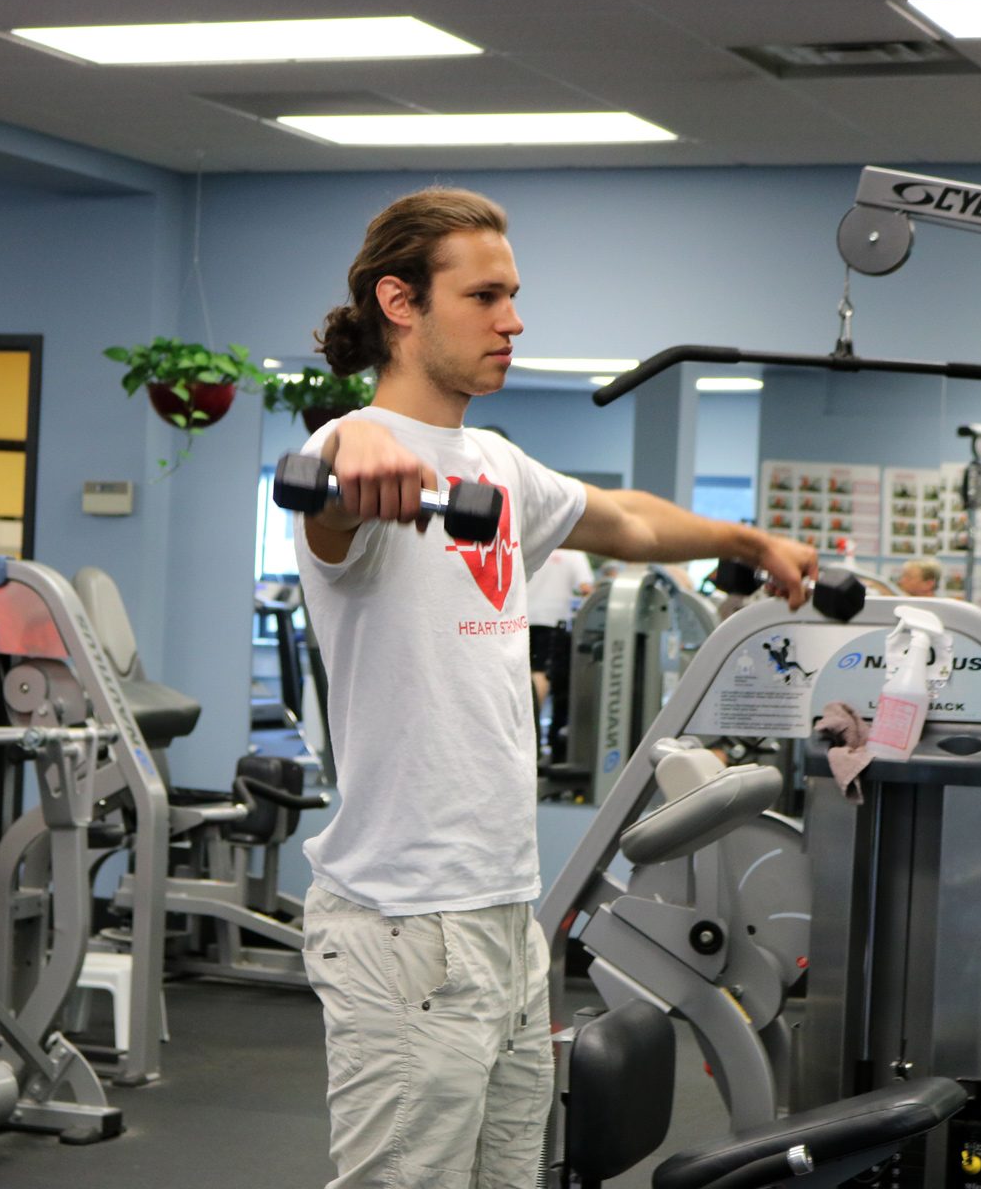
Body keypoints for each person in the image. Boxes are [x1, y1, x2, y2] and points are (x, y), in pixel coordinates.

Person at [290, 188, 816, 1189]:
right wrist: (354, 443)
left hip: (501, 910)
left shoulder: (491, 461)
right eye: (486, 295)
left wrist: (745, 540)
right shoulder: (347, 456)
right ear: (400, 303)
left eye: (515, 295)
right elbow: (334, 498)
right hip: (407, 923)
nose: (514, 320)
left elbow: (621, 520)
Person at [525, 548, 592, 761]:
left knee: (525, 673)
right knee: (541, 674)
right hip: (552, 620)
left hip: (521, 617)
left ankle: (525, 734)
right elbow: (586, 589)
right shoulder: (575, 553)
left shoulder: (533, 540)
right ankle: (530, 738)